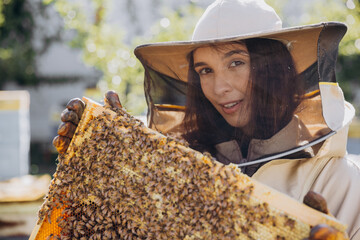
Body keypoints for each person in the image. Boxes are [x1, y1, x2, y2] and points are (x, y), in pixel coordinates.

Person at [53, 0, 360, 239]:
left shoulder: (343, 181)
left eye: (236, 62)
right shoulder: (182, 166)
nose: (219, 87)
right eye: (205, 70)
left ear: (275, 68)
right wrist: (97, 156)